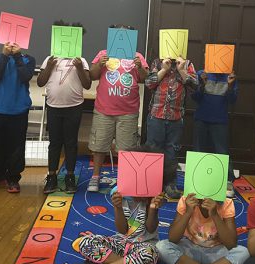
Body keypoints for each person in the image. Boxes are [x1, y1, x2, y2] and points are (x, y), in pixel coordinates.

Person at [67, 145, 178, 264]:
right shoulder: (121, 195)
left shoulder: (153, 198)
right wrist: (117, 207)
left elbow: (151, 228)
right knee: (85, 242)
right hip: (121, 244)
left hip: (144, 247)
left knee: (151, 254)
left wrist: (153, 208)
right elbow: (121, 229)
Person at [87, 24, 149, 192]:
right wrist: (100, 64)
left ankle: (124, 179)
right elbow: (92, 76)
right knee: (99, 146)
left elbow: (145, 79)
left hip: (128, 112)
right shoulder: (103, 54)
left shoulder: (137, 56)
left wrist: (139, 67)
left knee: (126, 149)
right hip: (103, 110)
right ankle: (95, 177)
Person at [37, 20, 91, 194]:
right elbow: (40, 82)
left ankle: (69, 177)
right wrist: (50, 66)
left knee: (70, 143)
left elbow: (88, 84)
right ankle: (51, 177)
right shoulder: (50, 58)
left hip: (73, 107)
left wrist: (79, 68)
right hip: (53, 107)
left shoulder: (80, 60)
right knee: (54, 143)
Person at [156, 193, 249, 264]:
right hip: (190, 248)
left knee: (243, 253)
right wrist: (188, 212)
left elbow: (231, 244)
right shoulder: (186, 200)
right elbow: (173, 238)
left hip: (216, 252)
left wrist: (215, 215)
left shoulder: (226, 203)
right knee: (161, 246)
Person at [0, 42, 35, 193]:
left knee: (16, 147)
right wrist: (5, 56)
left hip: (19, 109)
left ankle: (13, 178)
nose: (12, 44)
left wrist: (18, 57)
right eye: (9, 42)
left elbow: (25, 77)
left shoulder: (28, 59)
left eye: (16, 42)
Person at [145, 56, 198, 199]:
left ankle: (170, 184)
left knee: (172, 151)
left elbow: (195, 85)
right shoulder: (157, 62)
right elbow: (149, 83)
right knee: (153, 150)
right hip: (156, 115)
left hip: (176, 117)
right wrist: (164, 69)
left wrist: (181, 70)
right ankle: (152, 183)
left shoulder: (187, 63)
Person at [192, 70, 238, 198]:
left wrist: (229, 85)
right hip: (201, 118)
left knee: (222, 152)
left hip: (220, 120)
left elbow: (233, 100)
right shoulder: (201, 73)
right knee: (198, 151)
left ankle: (228, 181)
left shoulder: (230, 75)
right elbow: (194, 97)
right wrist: (202, 83)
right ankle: (196, 181)